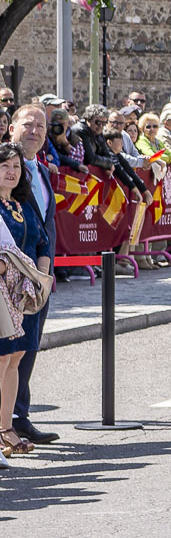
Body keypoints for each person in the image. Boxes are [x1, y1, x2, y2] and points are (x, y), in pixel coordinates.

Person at [8, 103, 56, 444]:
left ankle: (18, 416)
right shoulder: (5, 169)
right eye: (28, 124)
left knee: (29, 347)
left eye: (40, 125)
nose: (35, 130)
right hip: (9, 278)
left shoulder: (41, 170)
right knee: (7, 354)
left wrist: (44, 272)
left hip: (37, 277)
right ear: (11, 128)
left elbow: (44, 225)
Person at [0, 144, 51, 460]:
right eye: (4, 165)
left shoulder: (24, 205)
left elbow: (42, 241)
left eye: (16, 166)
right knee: (1, 359)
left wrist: (40, 279)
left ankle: (6, 426)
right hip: (3, 292)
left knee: (16, 357)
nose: (11, 171)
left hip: (27, 293)